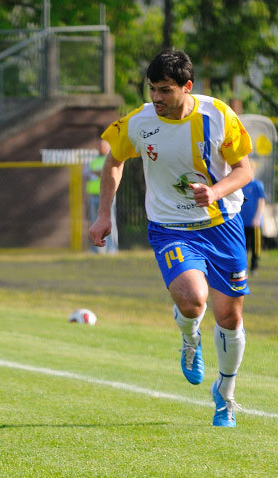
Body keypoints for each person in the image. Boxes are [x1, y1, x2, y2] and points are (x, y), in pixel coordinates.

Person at [89, 49, 253, 427]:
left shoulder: (218, 115)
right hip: (170, 227)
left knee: (229, 315)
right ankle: (190, 337)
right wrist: (102, 215)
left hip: (222, 225)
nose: (157, 98)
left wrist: (215, 192)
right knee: (194, 300)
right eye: (152, 89)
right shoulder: (139, 122)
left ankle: (225, 395)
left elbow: (245, 169)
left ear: (187, 87)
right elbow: (114, 160)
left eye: (165, 90)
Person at [86, 139, 118, 253]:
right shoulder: (93, 161)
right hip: (93, 195)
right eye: (99, 146)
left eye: (103, 146)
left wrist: (98, 172)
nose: (101, 148)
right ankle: (97, 250)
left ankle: (111, 249)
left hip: (108, 196)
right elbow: (86, 173)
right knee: (94, 222)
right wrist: (98, 172)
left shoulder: (110, 159)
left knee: (109, 222)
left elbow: (111, 172)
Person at [239, 175, 265, 275]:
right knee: (243, 245)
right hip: (242, 221)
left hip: (254, 222)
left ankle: (254, 266)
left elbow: (261, 202)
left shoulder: (257, 184)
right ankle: (242, 267)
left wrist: (258, 217)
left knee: (255, 245)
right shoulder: (240, 184)